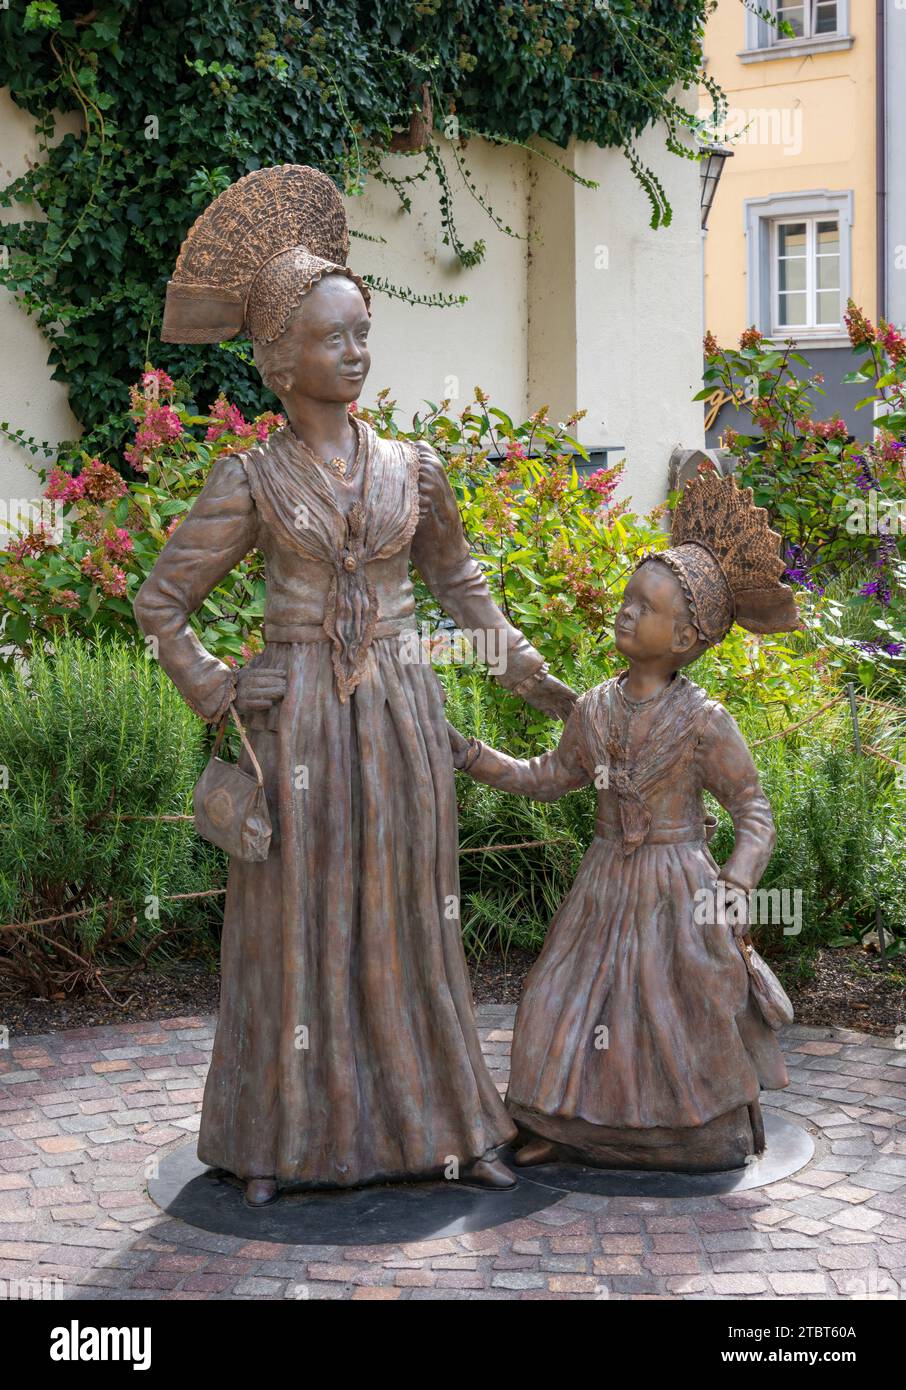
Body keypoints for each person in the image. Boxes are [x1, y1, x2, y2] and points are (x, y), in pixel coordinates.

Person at [134, 164, 576, 1205]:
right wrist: (215, 683)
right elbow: (162, 600)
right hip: (299, 729)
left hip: (402, 714)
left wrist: (525, 671)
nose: (356, 352)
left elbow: (458, 581)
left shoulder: (414, 470)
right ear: (281, 360)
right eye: (334, 338)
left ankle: (446, 1126)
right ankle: (280, 1139)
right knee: (299, 924)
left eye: (362, 331)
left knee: (414, 920)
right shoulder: (248, 478)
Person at [448, 469, 800, 1173]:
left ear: (688, 638)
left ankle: (694, 1134)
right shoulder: (594, 708)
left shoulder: (705, 724)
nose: (627, 612)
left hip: (681, 886)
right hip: (605, 882)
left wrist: (737, 878)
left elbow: (752, 809)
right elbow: (549, 777)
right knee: (558, 994)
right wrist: (471, 754)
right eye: (628, 598)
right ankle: (562, 1123)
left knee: (676, 1011)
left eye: (648, 607)